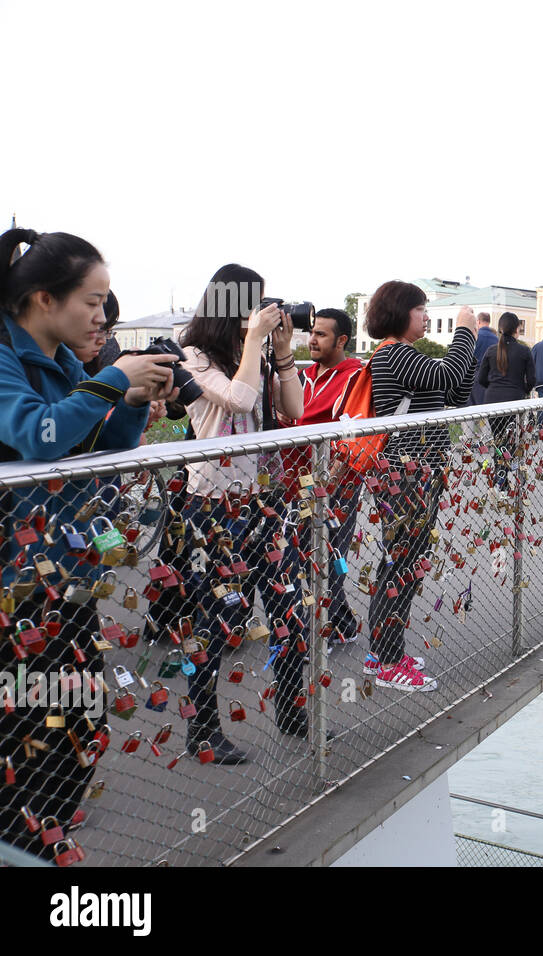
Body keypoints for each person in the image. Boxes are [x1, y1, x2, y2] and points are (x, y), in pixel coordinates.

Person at [0, 227, 178, 862]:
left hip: (61, 573)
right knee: (24, 738)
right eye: (93, 301)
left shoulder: (66, 360)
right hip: (13, 591)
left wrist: (130, 400)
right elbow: (37, 434)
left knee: (80, 725)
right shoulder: (4, 354)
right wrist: (110, 382)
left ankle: (44, 843)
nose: (103, 317)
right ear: (44, 299)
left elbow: (96, 448)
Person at [173, 265, 305, 761]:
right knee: (216, 618)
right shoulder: (193, 356)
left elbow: (293, 408)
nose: (263, 313)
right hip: (214, 507)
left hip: (265, 501)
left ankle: (294, 714)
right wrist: (254, 344)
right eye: (256, 303)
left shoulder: (252, 355)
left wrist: (284, 352)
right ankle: (202, 729)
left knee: (289, 608)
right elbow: (238, 399)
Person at [363, 284, 476, 691]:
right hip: (405, 472)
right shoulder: (395, 354)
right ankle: (390, 661)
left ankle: (383, 653)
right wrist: (465, 333)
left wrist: (467, 354)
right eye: (421, 309)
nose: (426, 317)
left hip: (416, 470)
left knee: (400, 561)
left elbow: (455, 391)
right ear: (400, 312)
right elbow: (448, 374)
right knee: (403, 564)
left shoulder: (407, 356)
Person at [298, 308, 365, 647]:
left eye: (321, 334)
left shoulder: (355, 376)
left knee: (328, 553)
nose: (312, 339)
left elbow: (352, 431)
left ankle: (324, 632)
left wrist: (329, 480)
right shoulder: (302, 375)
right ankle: (342, 624)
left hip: (336, 480)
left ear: (341, 340)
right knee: (303, 553)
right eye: (312, 331)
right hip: (298, 477)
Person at [477, 312, 535, 489]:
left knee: (498, 440)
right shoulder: (524, 351)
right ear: (517, 329)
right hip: (514, 402)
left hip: (492, 401)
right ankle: (509, 475)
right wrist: (522, 391)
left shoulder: (491, 350)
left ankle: (500, 477)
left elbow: (481, 379)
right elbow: (532, 380)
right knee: (511, 441)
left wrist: (494, 388)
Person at [469, 311, 498, 405]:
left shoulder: (475, 336)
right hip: (491, 375)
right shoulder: (496, 339)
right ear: (489, 322)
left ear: (478, 321)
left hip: (473, 374)